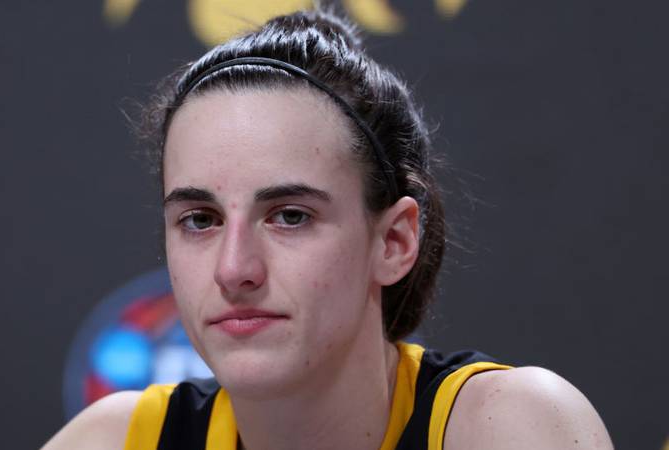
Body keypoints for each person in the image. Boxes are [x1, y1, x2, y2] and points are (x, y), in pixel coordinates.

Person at [43, 9, 613, 450]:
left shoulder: (507, 428)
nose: (234, 269)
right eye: (201, 220)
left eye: (291, 215)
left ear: (394, 241)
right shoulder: (120, 440)